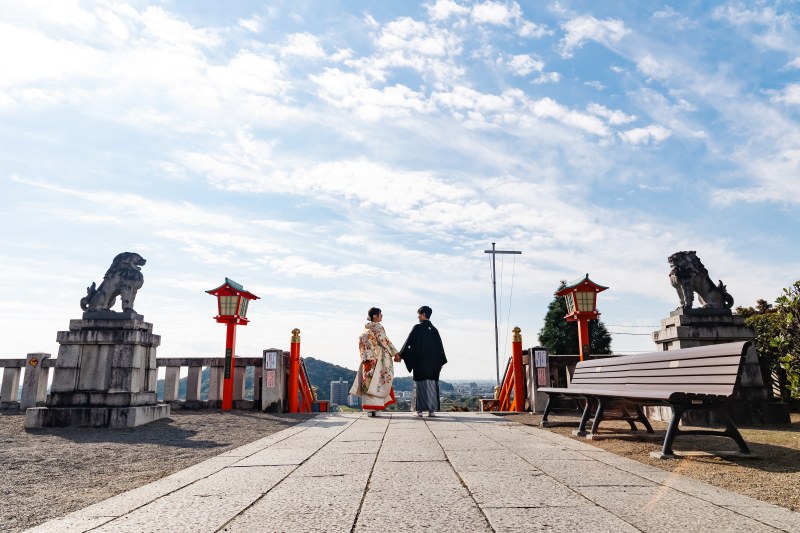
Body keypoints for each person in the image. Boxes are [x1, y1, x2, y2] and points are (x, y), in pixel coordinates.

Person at [397, 306, 447, 418]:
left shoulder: (417, 328)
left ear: (423, 314)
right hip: (434, 364)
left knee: (419, 385)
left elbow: (409, 343)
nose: (418, 316)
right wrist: (440, 362)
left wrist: (400, 355)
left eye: (419, 314)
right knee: (432, 385)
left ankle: (419, 411)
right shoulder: (434, 330)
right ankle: (431, 411)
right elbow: (440, 348)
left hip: (420, 362)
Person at [350, 307, 398, 417]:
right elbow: (384, 341)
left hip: (366, 360)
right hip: (376, 360)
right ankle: (376, 409)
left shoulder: (366, 329)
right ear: (375, 316)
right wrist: (395, 353)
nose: (382, 316)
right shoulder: (377, 327)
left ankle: (369, 409)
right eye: (380, 314)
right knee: (377, 382)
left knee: (368, 384)